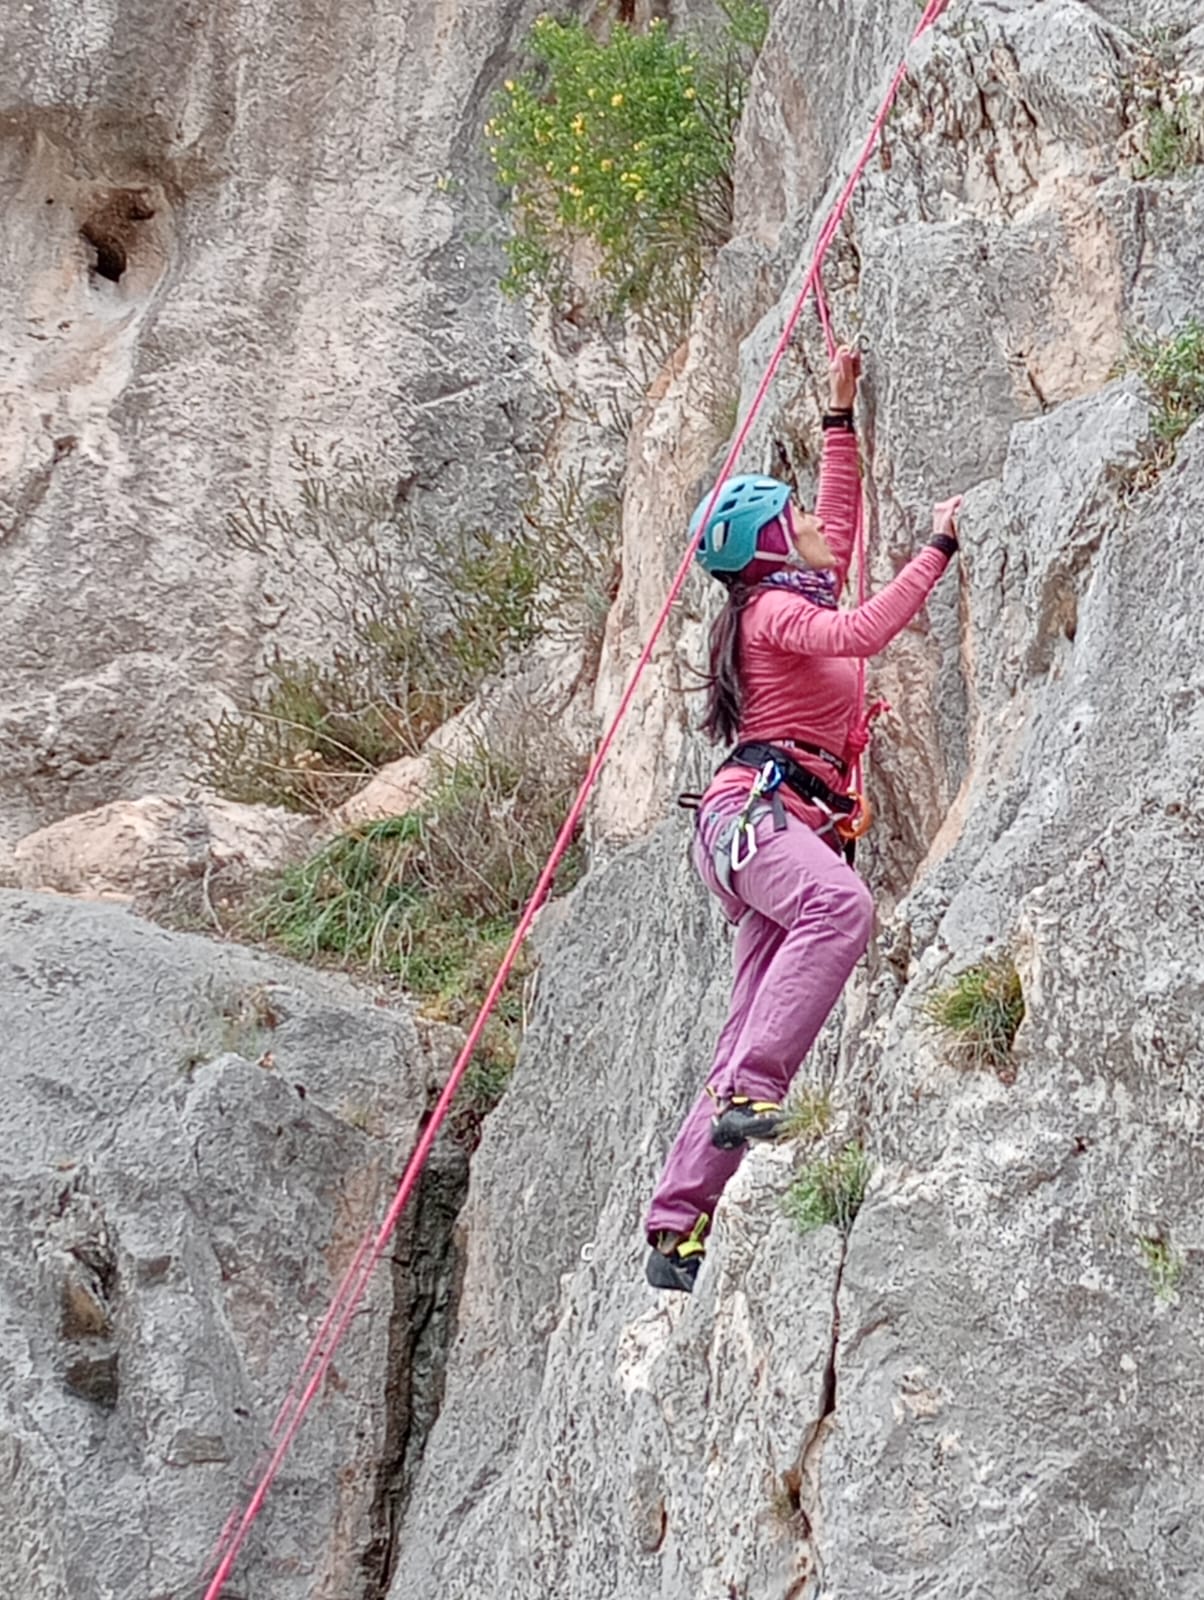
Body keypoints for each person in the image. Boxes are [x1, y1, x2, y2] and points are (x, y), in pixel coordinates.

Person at [645, 346, 962, 1292]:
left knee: (749, 1012)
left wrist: (838, 410)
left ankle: (676, 1226)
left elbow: (841, 516)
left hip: (765, 826)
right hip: (761, 817)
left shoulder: (787, 589)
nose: (818, 525)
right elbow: (865, 632)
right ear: (774, 549)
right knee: (840, 912)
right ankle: (754, 1093)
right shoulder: (772, 613)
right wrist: (937, 550)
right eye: (796, 523)